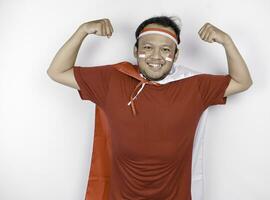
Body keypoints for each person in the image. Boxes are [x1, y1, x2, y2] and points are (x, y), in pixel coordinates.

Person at [47, 16, 252, 200]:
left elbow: (242, 82)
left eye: (165, 49)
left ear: (176, 55)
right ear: (136, 51)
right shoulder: (112, 79)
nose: (156, 56)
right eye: (147, 47)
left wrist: (227, 41)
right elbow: (57, 71)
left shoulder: (194, 85)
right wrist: (82, 30)